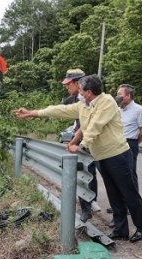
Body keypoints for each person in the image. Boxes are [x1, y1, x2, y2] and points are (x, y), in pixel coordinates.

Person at [14, 74, 142, 243]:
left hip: (118, 155)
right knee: (114, 195)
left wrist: (82, 144)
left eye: (80, 89)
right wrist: (32, 113)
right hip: (102, 156)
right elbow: (60, 110)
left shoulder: (106, 102)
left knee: (129, 193)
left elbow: (95, 126)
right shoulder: (83, 106)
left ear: (88, 92)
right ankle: (121, 230)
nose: (77, 92)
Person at [60, 68, 101, 222]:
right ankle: (86, 208)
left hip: (96, 143)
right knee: (83, 173)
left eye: (69, 84)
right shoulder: (74, 100)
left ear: (78, 83)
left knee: (94, 174)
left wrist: (81, 144)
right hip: (83, 141)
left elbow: (93, 126)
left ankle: (93, 201)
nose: (67, 87)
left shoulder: (94, 100)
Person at [116, 84, 142, 185]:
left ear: (128, 96)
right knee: (118, 174)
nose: (116, 97)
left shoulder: (138, 110)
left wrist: (134, 142)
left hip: (130, 143)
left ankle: (133, 199)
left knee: (129, 173)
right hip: (116, 144)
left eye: (119, 94)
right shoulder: (117, 110)